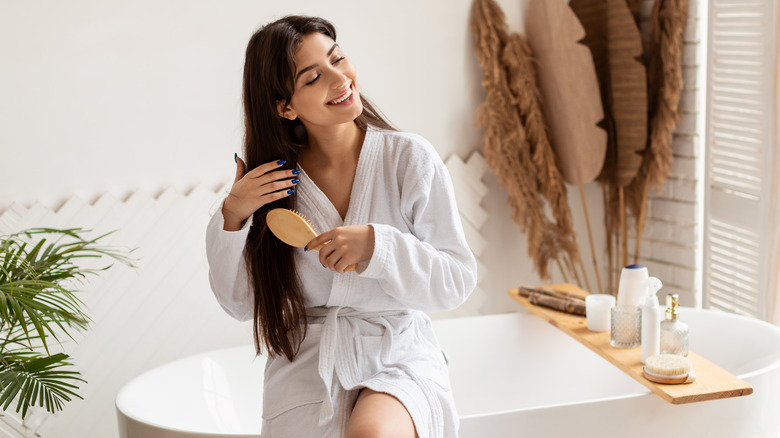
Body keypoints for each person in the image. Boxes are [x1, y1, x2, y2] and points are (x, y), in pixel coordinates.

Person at [205, 15, 476, 438]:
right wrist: (233, 217)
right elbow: (240, 304)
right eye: (314, 77)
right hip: (308, 362)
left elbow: (456, 281)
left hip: (396, 352)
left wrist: (379, 248)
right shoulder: (273, 186)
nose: (340, 79)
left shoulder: (408, 159)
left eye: (338, 59)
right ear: (285, 106)